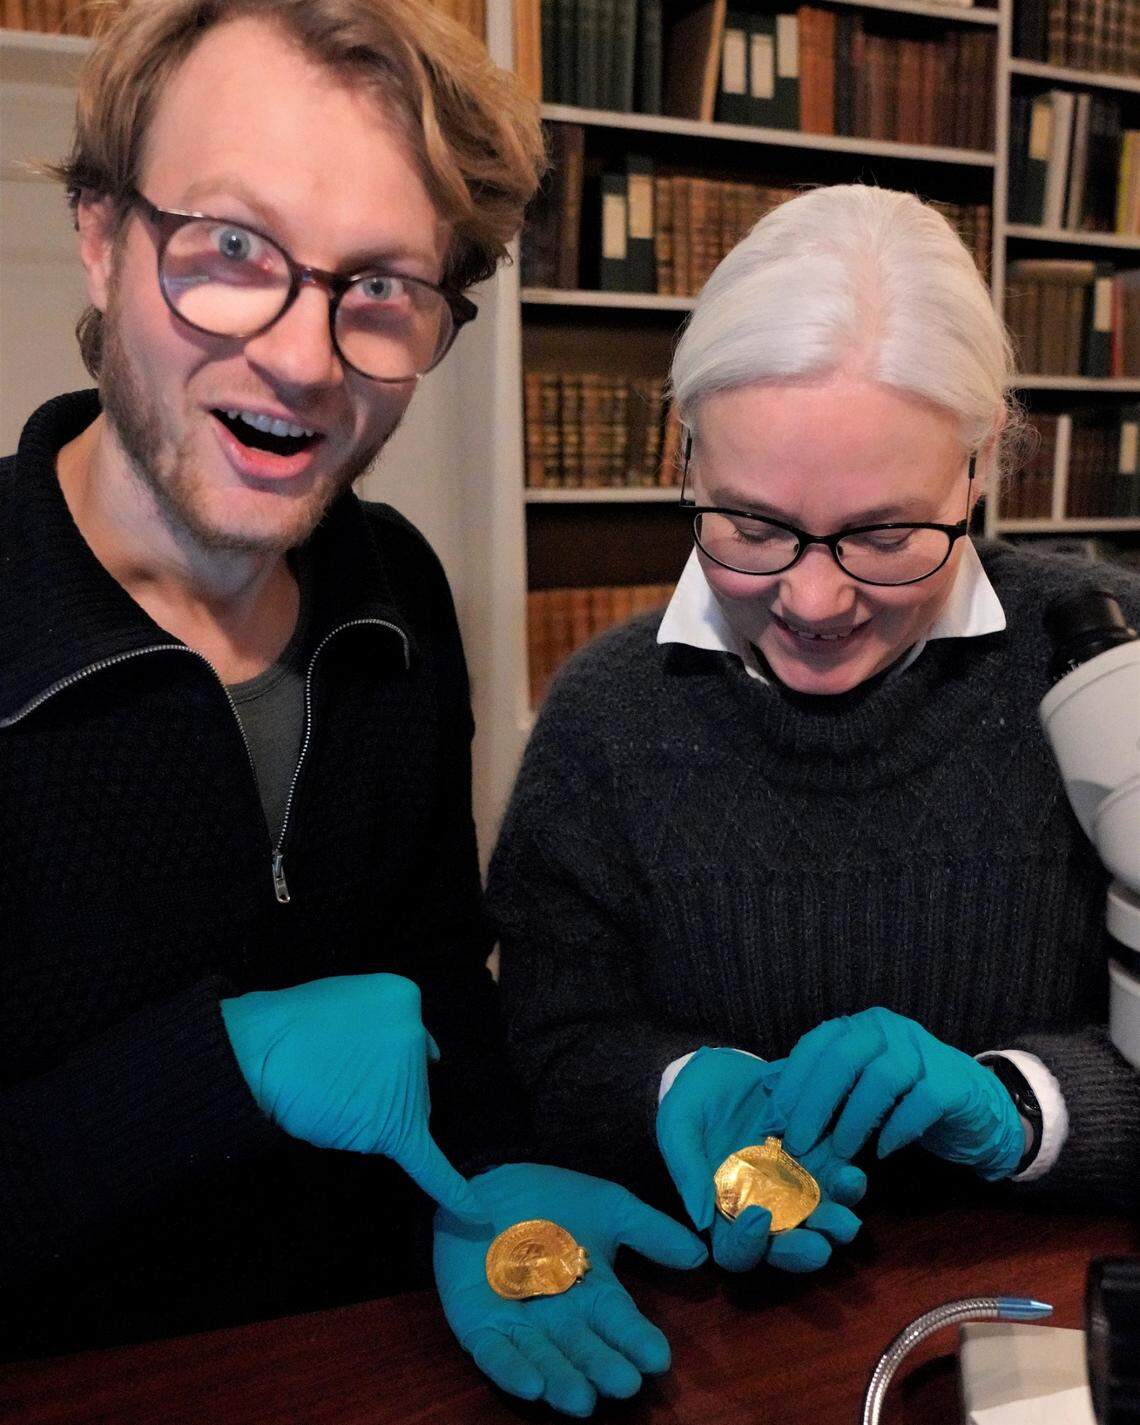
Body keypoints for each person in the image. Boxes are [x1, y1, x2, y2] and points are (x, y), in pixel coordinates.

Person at [0, 1, 708, 1409]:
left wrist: (493, 1178)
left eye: (381, 285)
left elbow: (440, 975)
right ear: (98, 229)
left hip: (381, 1364)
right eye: (231, 251)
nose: (307, 359)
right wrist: (221, 1066)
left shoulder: (397, 594)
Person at [487, 184, 1140, 1278]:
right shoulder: (604, 720)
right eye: (752, 526)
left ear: (977, 467)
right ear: (687, 459)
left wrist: (1023, 1105)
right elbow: (548, 1054)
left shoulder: (1111, 675)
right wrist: (677, 1090)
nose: (815, 602)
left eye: (884, 536)